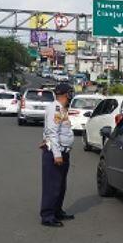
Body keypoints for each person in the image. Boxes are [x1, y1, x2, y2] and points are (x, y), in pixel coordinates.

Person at [39, 83, 75, 227]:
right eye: (70, 93)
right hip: (56, 153)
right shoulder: (55, 108)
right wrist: (57, 154)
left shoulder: (61, 109)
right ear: (66, 94)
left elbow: (53, 130)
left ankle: (57, 211)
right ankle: (48, 216)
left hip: (62, 151)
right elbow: (52, 132)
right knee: (52, 186)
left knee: (60, 185)